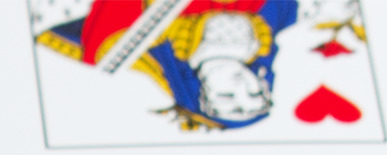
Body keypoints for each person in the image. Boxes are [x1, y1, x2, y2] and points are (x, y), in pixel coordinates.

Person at [32, 0, 301, 132]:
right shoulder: (276, 20)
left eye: (227, 96)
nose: (240, 87)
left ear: (200, 93)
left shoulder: (121, 47)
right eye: (254, 95)